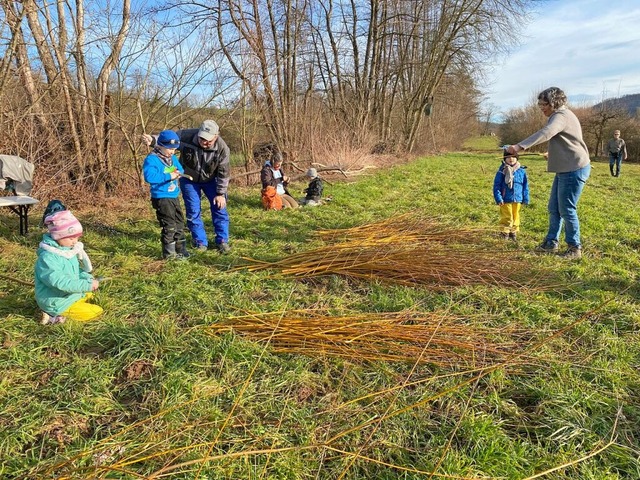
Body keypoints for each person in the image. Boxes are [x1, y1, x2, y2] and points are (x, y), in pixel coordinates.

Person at [506, 87, 590, 260]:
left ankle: (575, 249)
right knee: (554, 208)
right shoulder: (562, 116)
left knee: (566, 209)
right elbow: (569, 139)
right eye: (539, 104)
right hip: (566, 167)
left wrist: (519, 146)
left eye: (544, 104)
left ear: (555, 102)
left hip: (574, 169)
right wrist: (555, 153)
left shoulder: (561, 116)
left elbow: (547, 132)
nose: (541, 108)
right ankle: (551, 242)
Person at [142, 120, 231, 253]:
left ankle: (222, 241)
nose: (204, 142)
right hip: (189, 179)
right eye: (201, 139)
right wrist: (152, 139)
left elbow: (224, 172)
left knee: (219, 209)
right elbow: (168, 139)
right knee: (193, 211)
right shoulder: (187, 135)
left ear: (216, 136)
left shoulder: (222, 148)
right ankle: (200, 242)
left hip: (212, 180)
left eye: (208, 141)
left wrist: (220, 194)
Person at [35, 210, 102, 324]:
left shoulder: (67, 251)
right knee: (96, 311)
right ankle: (54, 316)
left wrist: (86, 277)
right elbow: (60, 283)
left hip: (66, 295)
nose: (75, 242)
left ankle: (72, 304)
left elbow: (75, 270)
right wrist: (86, 285)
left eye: (77, 238)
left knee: (89, 293)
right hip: (56, 301)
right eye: (71, 238)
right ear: (58, 236)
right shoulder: (47, 259)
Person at [142, 130, 190, 260]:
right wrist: (169, 176)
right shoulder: (152, 159)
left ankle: (181, 249)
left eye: (174, 149)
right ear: (160, 145)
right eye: (169, 149)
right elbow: (149, 176)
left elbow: (180, 169)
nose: (172, 152)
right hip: (162, 197)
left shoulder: (172, 158)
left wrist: (176, 172)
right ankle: (169, 254)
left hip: (174, 195)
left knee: (179, 222)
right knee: (169, 225)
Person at [493, 150, 529, 241]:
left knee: (516, 216)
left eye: (513, 157)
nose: (511, 159)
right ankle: (504, 233)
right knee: (507, 217)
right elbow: (496, 186)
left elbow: (525, 186)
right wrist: (498, 198)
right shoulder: (502, 171)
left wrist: (525, 198)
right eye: (508, 157)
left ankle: (513, 232)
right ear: (505, 159)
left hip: (518, 199)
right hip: (505, 199)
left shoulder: (521, 171)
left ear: (516, 158)